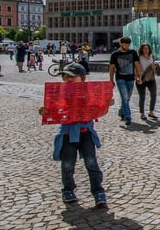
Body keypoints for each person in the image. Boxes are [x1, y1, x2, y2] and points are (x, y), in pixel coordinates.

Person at [40, 63, 111, 207]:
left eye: (72, 76)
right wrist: (45, 112)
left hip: (85, 134)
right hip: (67, 134)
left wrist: (107, 104)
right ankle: (68, 189)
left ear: (83, 78)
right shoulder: (60, 93)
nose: (68, 79)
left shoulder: (89, 93)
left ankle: (98, 191)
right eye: (65, 76)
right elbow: (53, 110)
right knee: (67, 164)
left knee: (91, 163)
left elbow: (99, 109)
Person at [108, 37, 141, 125]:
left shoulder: (133, 53)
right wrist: (111, 79)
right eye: (125, 44)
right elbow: (112, 68)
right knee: (125, 97)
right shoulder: (115, 54)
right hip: (120, 78)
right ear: (120, 44)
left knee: (127, 98)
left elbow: (137, 65)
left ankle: (121, 111)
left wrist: (139, 76)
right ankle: (128, 117)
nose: (126, 46)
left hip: (131, 78)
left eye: (128, 45)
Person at [136, 43, 159, 120]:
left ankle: (151, 112)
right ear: (141, 49)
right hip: (141, 78)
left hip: (151, 78)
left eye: (147, 48)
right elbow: (135, 68)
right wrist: (137, 78)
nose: (146, 50)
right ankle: (142, 113)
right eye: (144, 48)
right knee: (142, 96)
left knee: (154, 95)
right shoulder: (139, 57)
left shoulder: (152, 56)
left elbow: (153, 67)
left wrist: (154, 67)